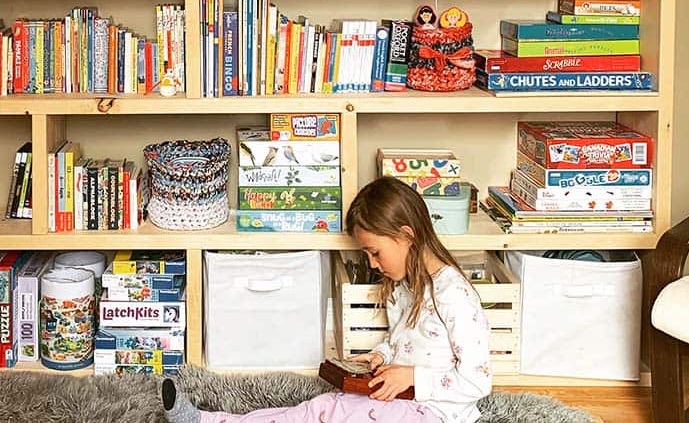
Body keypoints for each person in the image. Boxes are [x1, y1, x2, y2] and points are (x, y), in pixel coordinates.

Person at [162, 177, 492, 423]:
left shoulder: (454, 296)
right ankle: (210, 420)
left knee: (332, 411)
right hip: (404, 402)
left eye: (375, 252)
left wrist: (411, 377)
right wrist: (382, 356)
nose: (373, 264)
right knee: (319, 408)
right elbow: (403, 342)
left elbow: (478, 382)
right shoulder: (406, 286)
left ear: (407, 235)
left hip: (434, 414)